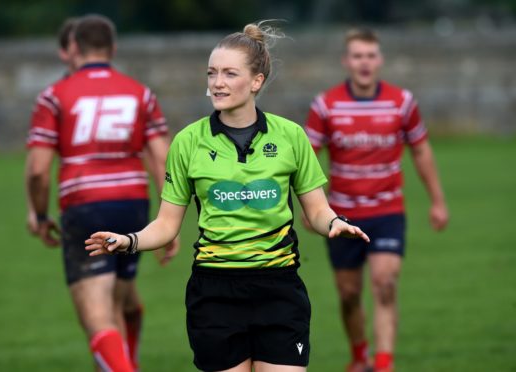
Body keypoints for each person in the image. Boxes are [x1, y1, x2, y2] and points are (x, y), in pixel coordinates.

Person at [85, 22, 370, 372]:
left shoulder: (291, 137)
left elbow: (317, 210)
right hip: (215, 293)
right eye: (212, 73)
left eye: (229, 73)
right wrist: (128, 241)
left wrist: (336, 223)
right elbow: (166, 225)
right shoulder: (188, 142)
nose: (217, 82)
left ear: (256, 82)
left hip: (279, 289)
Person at [25, 14, 178, 371]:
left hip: (86, 206)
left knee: (97, 318)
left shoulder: (54, 96)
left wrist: (41, 213)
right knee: (117, 306)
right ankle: (129, 360)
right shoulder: (141, 93)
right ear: (114, 48)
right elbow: (164, 159)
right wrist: (168, 218)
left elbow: (36, 171)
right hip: (133, 204)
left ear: (74, 47)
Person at [303, 29, 449, 372]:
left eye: (370, 55)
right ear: (346, 61)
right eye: (357, 55)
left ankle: (383, 364)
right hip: (342, 216)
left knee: (384, 282)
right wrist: (311, 211)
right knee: (349, 293)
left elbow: (422, 151)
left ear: (379, 60)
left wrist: (437, 201)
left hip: (387, 210)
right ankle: (359, 357)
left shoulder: (402, 102)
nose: (364, 62)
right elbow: (306, 161)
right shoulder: (326, 105)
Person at [26, 17, 77, 235]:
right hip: (80, 202)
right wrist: (35, 210)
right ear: (64, 52)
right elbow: (37, 163)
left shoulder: (125, 92)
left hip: (123, 200)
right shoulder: (55, 98)